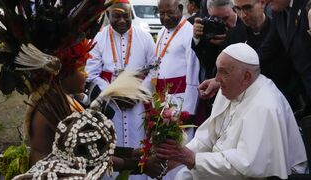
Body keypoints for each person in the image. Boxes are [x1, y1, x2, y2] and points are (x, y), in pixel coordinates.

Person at [155, 43, 308, 180]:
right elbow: (208, 136)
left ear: (246, 77)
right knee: (183, 176)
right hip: (222, 167)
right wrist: (176, 157)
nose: (216, 79)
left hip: (254, 177)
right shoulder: (231, 88)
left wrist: (193, 159)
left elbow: (247, 165)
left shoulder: (264, 106)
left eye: (223, 72)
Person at [85, 0, 156, 179]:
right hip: (110, 105)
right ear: (108, 16)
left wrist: (137, 92)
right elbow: (91, 74)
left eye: (126, 15)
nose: (122, 20)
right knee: (111, 144)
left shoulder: (145, 37)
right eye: (117, 16)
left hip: (137, 104)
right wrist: (113, 93)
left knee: (138, 144)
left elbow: (155, 69)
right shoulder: (99, 38)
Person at [146, 0, 200, 178]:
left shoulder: (189, 31)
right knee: (162, 147)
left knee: (179, 147)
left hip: (181, 101)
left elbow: (193, 74)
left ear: (180, 9)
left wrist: (188, 111)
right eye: (161, 14)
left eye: (169, 13)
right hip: (162, 100)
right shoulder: (162, 31)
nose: (165, 18)